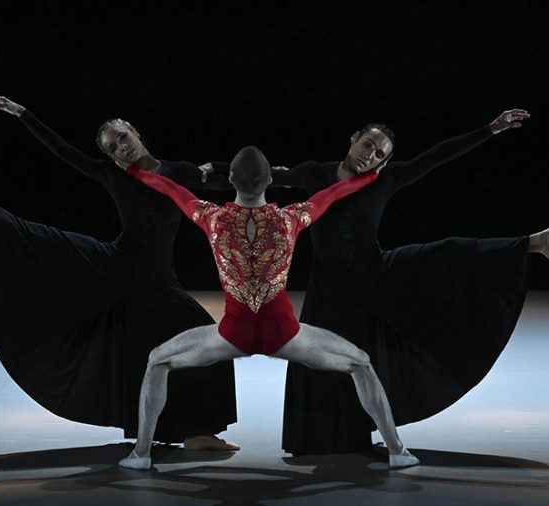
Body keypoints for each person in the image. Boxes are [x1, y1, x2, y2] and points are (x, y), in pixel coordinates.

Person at [209, 110, 549, 454]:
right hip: (330, 290)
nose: (370, 156)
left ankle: (538, 242)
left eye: (379, 154)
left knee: (449, 253)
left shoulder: (384, 181)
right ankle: (322, 437)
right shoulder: (315, 174)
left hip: (377, 277)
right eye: (368, 145)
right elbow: (257, 176)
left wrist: (488, 130)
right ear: (353, 137)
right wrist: (206, 172)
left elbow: (437, 156)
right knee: (324, 363)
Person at [0, 93, 240, 451]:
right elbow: (62, 151)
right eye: (112, 148)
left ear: (136, 133)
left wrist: (261, 178)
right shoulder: (112, 177)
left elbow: (229, 178)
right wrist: (24, 114)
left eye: (122, 138)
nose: (120, 148)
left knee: (207, 346)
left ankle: (193, 432)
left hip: (159, 284)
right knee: (37, 238)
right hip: (117, 267)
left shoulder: (180, 172)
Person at [118, 146, 420, 470]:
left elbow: (168, 187)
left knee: (157, 361)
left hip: (231, 335)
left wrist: (131, 170)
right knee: (360, 363)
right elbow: (336, 192)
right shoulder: (290, 218)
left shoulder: (212, 217)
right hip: (285, 334)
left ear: (231, 179)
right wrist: (375, 173)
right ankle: (397, 451)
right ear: (271, 180)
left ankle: (141, 454)